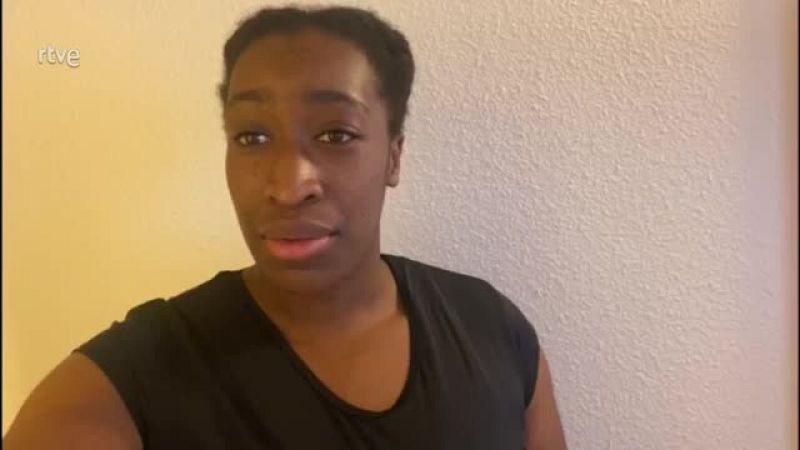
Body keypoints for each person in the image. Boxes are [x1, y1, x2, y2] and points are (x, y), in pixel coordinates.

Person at [4, 5, 567, 449]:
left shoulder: (492, 331)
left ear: (393, 157)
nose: (290, 184)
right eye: (252, 136)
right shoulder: (138, 375)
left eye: (336, 134)